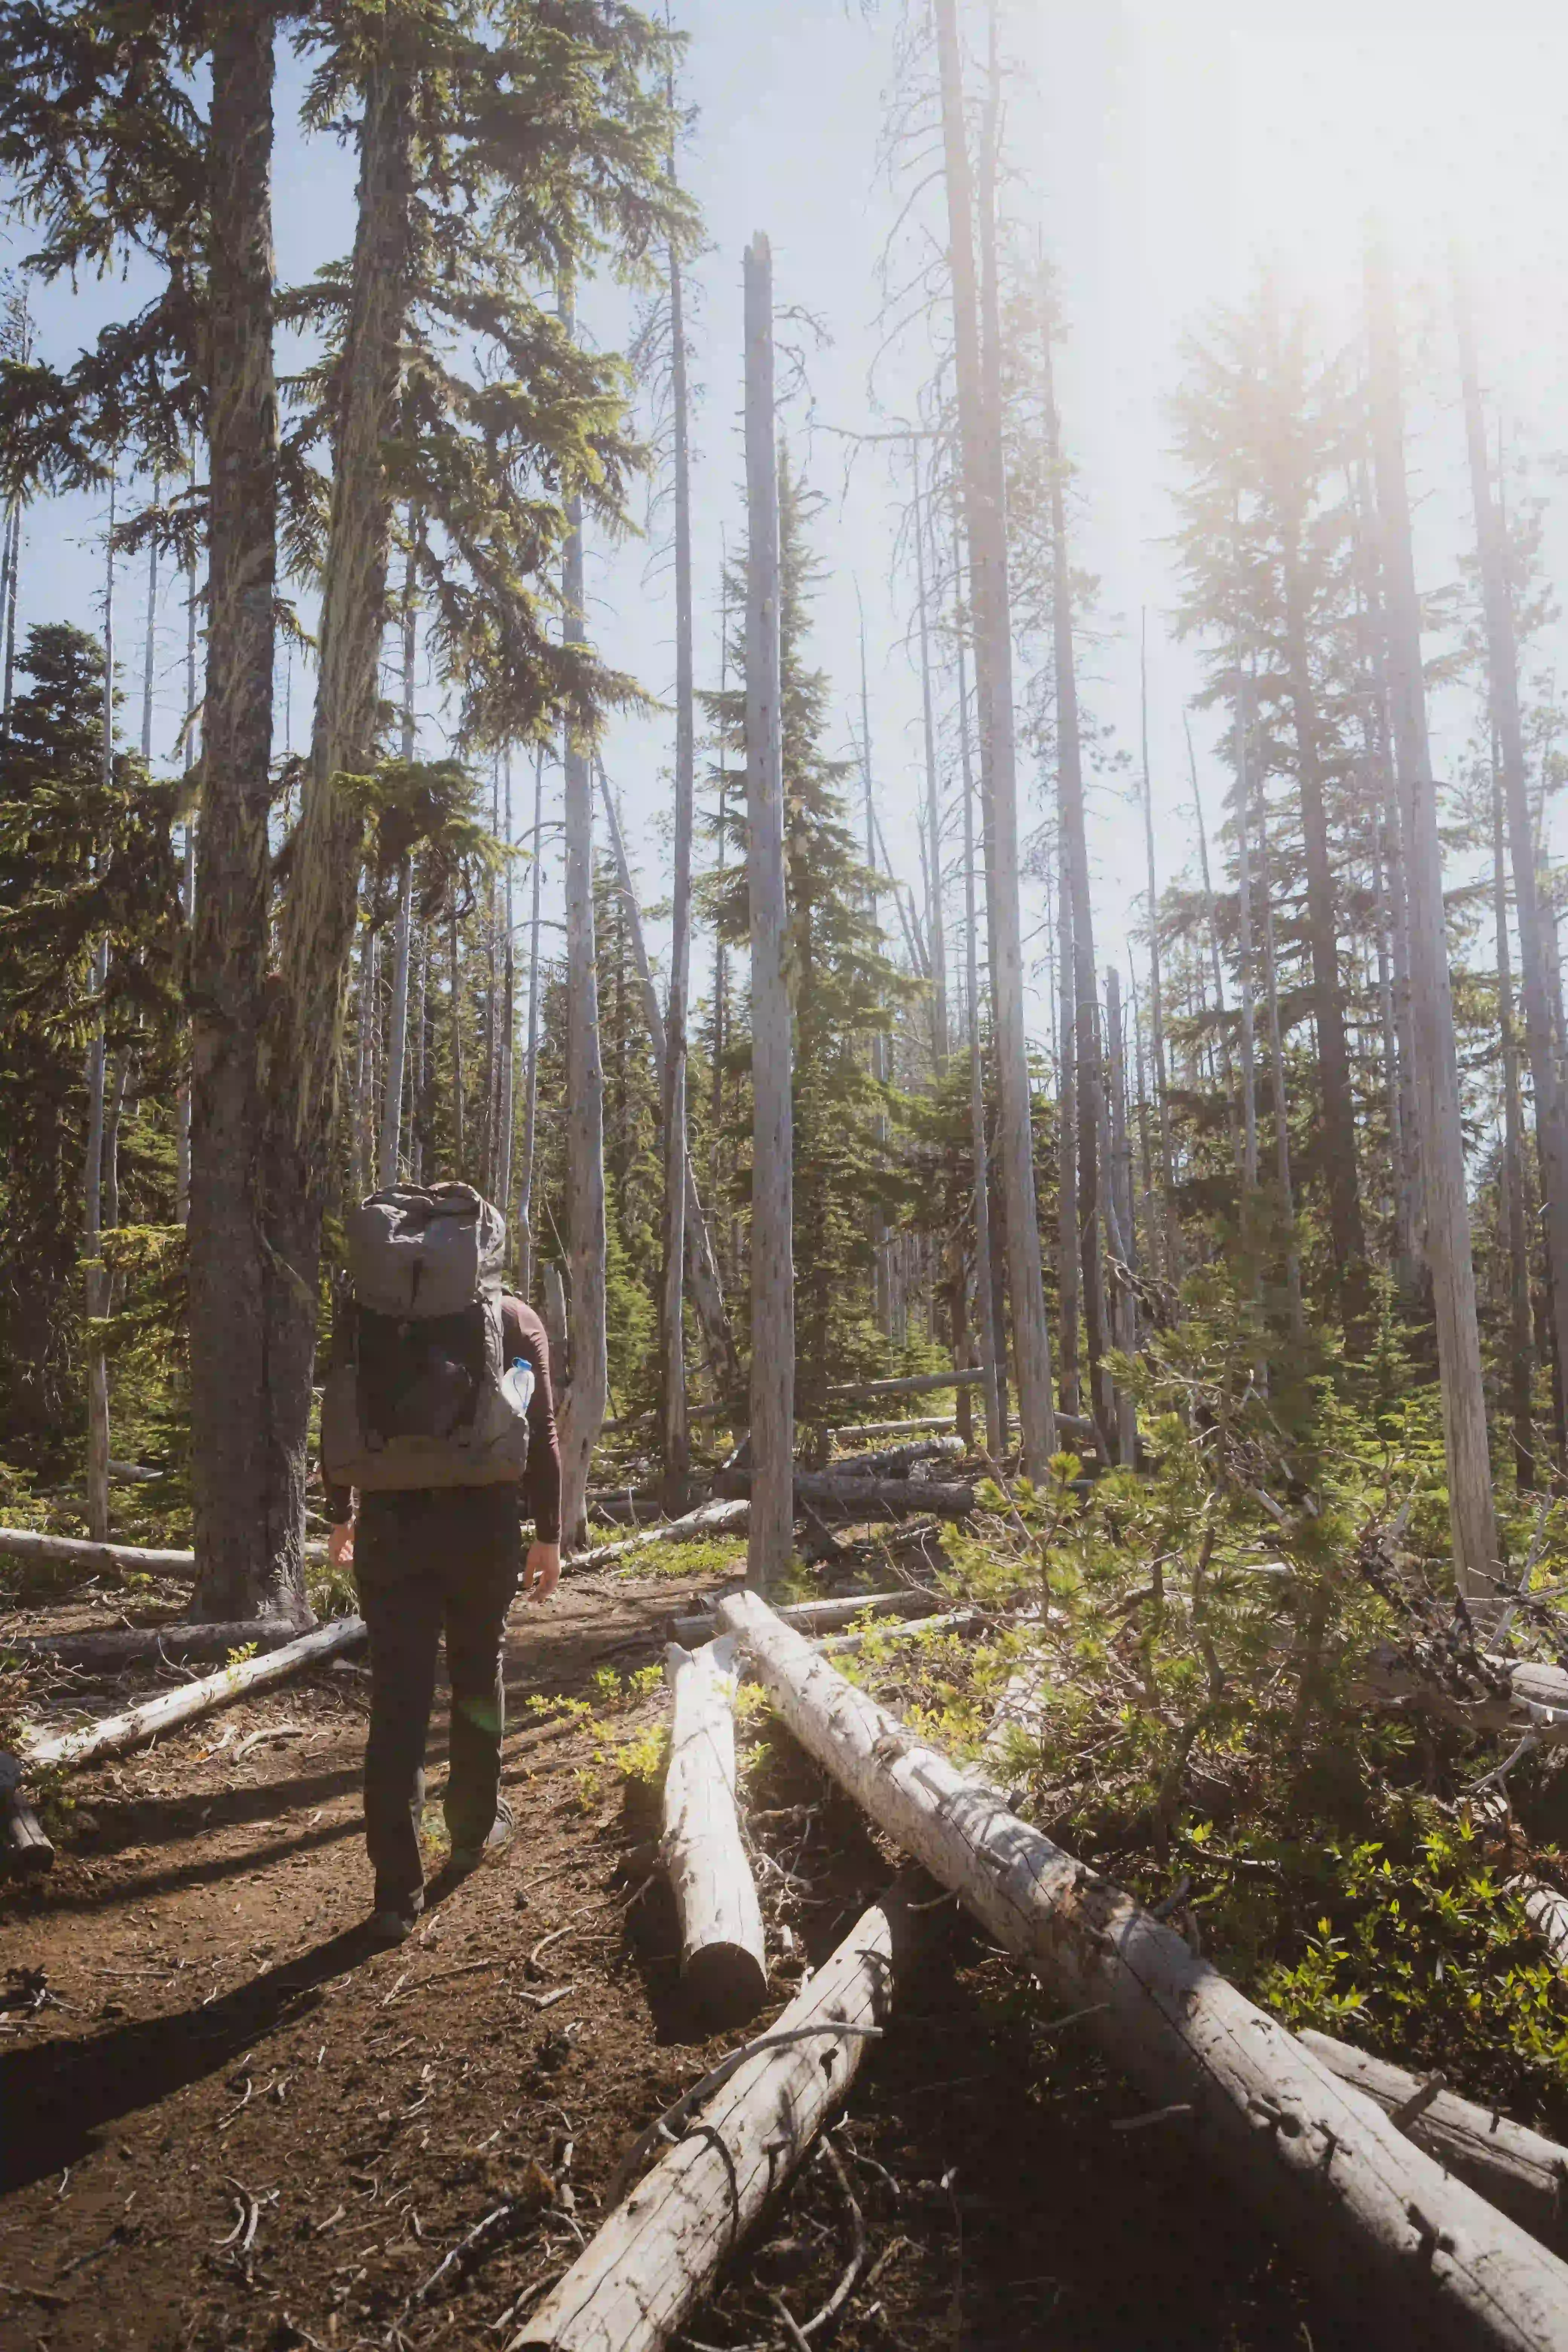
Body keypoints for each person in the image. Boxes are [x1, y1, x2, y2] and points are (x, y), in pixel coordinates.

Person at [326, 1286, 562, 1944]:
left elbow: (339, 1414)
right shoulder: (513, 1317)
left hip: (390, 1527)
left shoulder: (367, 1313)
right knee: (477, 1671)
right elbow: (541, 1427)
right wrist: (550, 1531)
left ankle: (396, 1894)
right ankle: (471, 1834)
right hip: (481, 1524)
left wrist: (340, 1512)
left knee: (398, 1692)